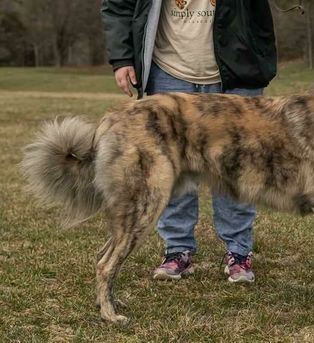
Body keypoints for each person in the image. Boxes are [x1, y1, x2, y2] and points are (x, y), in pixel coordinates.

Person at [101, 0, 277, 283]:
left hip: (237, 67)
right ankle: (177, 250)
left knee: (237, 167)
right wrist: (121, 59)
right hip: (168, 70)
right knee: (170, 167)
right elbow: (118, 4)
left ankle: (239, 252)